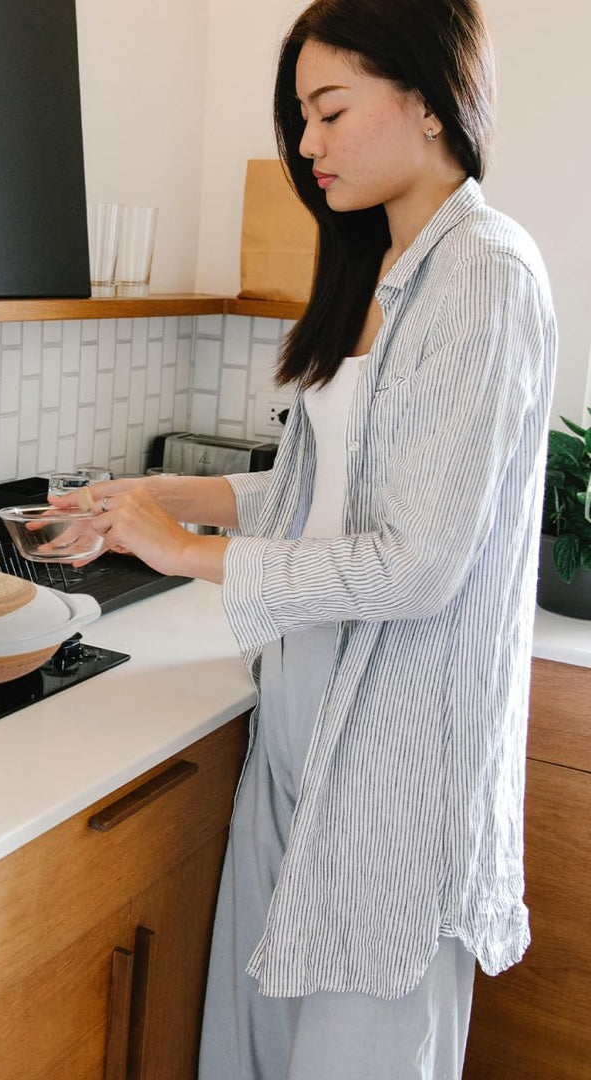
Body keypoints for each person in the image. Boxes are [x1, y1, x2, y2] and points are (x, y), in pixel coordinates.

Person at [51, 0, 557, 1076]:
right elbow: (324, 487)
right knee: (260, 1046)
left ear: (429, 100)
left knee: (358, 1053)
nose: (308, 144)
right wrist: (162, 496)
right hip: (302, 712)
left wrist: (184, 552)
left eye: (330, 110)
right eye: (302, 118)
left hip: (393, 755)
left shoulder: (485, 273)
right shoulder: (380, 267)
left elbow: (418, 564)